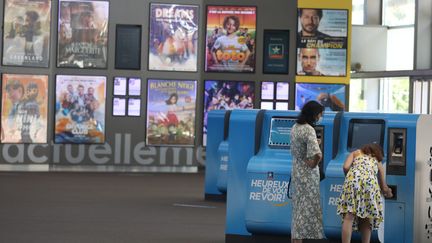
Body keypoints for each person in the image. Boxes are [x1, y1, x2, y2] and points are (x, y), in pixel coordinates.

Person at [337, 143, 393, 243]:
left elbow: (345, 167)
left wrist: (350, 178)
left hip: (352, 183)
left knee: (349, 215)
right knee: (367, 216)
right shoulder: (377, 161)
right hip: (370, 185)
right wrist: (389, 192)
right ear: (378, 152)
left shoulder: (355, 153)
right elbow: (383, 187)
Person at [290, 100, 325, 243]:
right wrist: (313, 164)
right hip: (307, 175)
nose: (320, 117)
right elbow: (318, 154)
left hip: (297, 171)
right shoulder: (309, 129)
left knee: (298, 208)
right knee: (305, 212)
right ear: (314, 114)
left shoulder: (295, 127)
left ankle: (294, 239)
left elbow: (298, 149)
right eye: (320, 114)